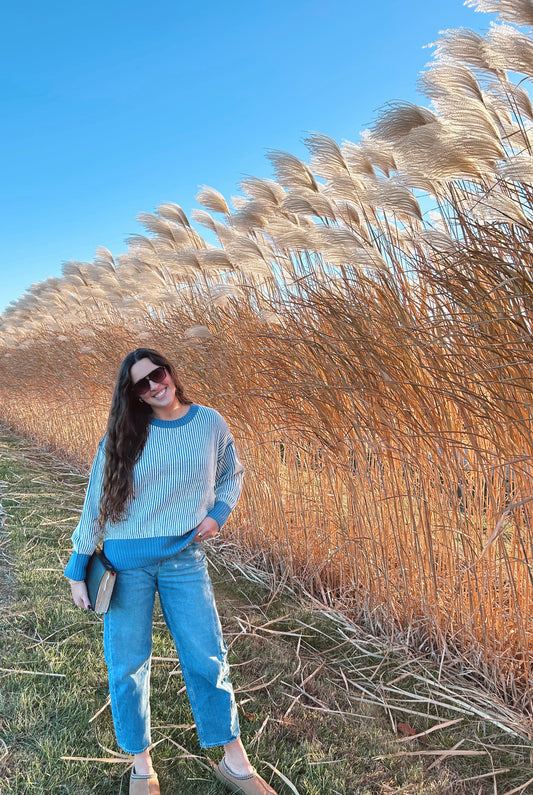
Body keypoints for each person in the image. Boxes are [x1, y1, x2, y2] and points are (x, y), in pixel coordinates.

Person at [65, 348, 277, 795]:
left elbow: (231, 474)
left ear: (170, 372)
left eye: (156, 374)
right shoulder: (124, 435)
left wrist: (218, 513)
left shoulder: (209, 423)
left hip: (185, 559)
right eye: (140, 384)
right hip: (125, 565)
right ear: (135, 395)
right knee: (128, 664)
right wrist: (77, 566)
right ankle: (142, 766)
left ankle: (234, 762)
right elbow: (95, 503)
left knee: (206, 657)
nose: (153, 386)